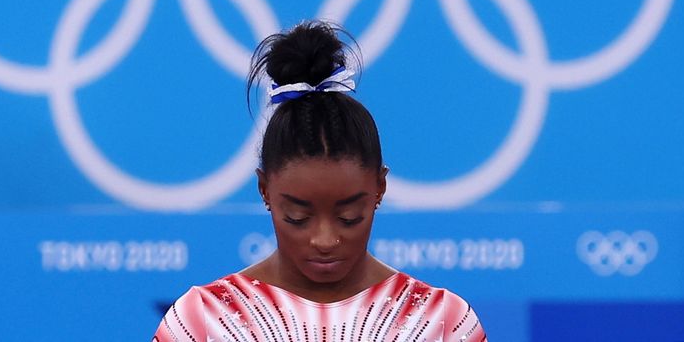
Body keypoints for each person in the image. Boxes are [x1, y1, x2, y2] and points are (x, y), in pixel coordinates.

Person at [153, 21, 487, 341]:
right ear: (264, 190)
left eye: (349, 217)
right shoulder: (202, 320)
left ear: (380, 189)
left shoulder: (441, 320)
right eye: (298, 218)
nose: (325, 240)